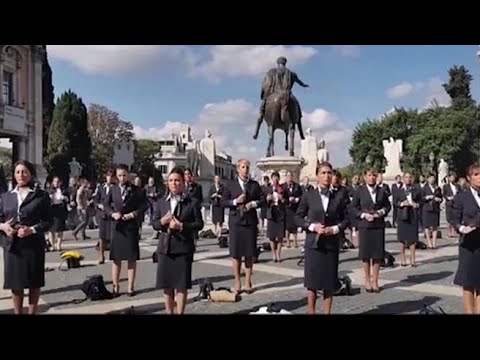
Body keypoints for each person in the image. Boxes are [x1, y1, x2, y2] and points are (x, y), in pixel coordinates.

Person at [295, 162, 349, 314]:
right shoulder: (309, 195)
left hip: (331, 244)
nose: (327, 176)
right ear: (317, 176)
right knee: (312, 282)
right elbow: (298, 217)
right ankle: (311, 311)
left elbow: (346, 219)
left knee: (329, 282)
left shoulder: (338, 196)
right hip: (313, 244)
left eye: (329, 173)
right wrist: (312, 226)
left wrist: (334, 229)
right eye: (323, 173)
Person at [0, 160, 52, 314]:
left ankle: (32, 312)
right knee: (15, 284)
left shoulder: (41, 196)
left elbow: (49, 221)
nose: (21, 175)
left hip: (33, 244)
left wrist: (32, 229)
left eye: (24, 172)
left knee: (34, 282)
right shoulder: (6, 196)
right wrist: (3, 227)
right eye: (17, 172)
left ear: (31, 174)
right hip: (12, 246)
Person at [153, 167, 204, 314]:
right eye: (171, 180)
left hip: (183, 248)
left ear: (183, 182)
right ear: (167, 183)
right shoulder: (162, 202)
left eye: (177, 180)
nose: (174, 183)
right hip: (165, 248)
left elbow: (199, 224)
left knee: (181, 285)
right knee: (167, 285)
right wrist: (162, 221)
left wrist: (182, 226)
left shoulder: (191, 202)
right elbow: (155, 223)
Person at [220, 159, 265, 294]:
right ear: (238, 169)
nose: (245, 169)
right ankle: (237, 281)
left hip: (250, 222)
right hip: (236, 222)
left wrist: (253, 204)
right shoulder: (230, 185)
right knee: (236, 253)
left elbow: (263, 200)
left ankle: (248, 281)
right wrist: (235, 201)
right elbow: (222, 202)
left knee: (249, 253)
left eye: (247, 167)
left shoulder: (254, 185)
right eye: (243, 167)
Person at [104, 164, 148, 297]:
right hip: (117, 226)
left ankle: (130, 287)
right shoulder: (113, 189)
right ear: (116, 176)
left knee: (131, 258)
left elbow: (144, 205)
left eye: (124, 175)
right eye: (119, 176)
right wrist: (112, 213)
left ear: (128, 175)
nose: (122, 178)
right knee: (116, 259)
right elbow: (105, 204)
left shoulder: (136, 190)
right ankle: (115, 286)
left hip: (130, 226)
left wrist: (133, 214)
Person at [351, 168, 391, 293]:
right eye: (369, 175)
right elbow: (353, 207)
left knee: (378, 255)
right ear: (365, 177)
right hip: (365, 226)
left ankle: (375, 280)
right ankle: (367, 280)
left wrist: (381, 212)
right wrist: (363, 215)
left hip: (378, 225)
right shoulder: (360, 191)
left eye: (374, 175)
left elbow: (387, 205)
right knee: (366, 254)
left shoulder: (382, 190)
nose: (372, 177)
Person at [452, 164, 480, 314]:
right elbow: (454, 217)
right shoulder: (462, 196)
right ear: (469, 178)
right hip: (468, 243)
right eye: (476, 174)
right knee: (468, 281)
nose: (479, 177)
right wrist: (461, 228)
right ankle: (470, 312)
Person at [257, 56, 309, 124]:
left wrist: (262, 94)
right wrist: (304, 85)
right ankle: (299, 123)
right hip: (287, 94)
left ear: (278, 63)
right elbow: (300, 82)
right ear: (285, 63)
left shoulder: (271, 71)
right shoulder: (291, 73)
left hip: (275, 93)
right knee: (297, 105)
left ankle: (259, 120)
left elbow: (265, 83)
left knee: (262, 108)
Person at [394, 172, 421, 267]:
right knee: (402, 239)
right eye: (406, 177)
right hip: (402, 216)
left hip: (413, 215)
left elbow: (421, 201)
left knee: (412, 239)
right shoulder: (399, 190)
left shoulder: (416, 189)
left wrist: (416, 204)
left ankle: (413, 259)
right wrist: (402, 204)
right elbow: (394, 202)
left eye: (410, 177)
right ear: (403, 179)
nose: (408, 179)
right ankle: (402, 258)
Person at [95, 169, 116, 264]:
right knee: (102, 235)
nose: (109, 178)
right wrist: (99, 205)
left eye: (111, 176)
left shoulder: (116, 188)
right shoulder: (100, 187)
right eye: (108, 176)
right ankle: (101, 255)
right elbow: (96, 199)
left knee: (113, 235)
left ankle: (114, 254)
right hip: (102, 214)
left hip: (112, 214)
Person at [265, 172, 286, 262]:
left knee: (280, 236)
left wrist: (283, 199)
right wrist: (267, 199)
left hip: (280, 212)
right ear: (271, 179)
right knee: (272, 236)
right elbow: (262, 202)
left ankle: (278, 254)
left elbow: (287, 201)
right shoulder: (267, 189)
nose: (275, 180)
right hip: (271, 213)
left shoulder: (283, 188)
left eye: (277, 178)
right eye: (274, 178)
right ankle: (273, 253)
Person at [47, 176, 69, 251]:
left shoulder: (63, 190)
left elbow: (68, 199)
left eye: (57, 182)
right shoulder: (49, 190)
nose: (56, 183)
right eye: (55, 181)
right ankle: (52, 245)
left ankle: (59, 245)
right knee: (51, 228)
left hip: (60, 209)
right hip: (52, 210)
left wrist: (64, 198)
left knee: (60, 228)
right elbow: (46, 200)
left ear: (60, 183)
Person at [282, 171, 303, 248]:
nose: (289, 178)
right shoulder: (283, 186)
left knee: (294, 225)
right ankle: (287, 241)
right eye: (288, 176)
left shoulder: (297, 186)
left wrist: (297, 199)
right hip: (287, 208)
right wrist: (287, 200)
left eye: (291, 176)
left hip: (294, 208)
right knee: (287, 226)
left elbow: (301, 196)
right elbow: (282, 197)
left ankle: (295, 241)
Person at [421, 174, 442, 249]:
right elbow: (421, 198)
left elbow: (441, 197)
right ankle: (429, 242)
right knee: (427, 226)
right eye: (431, 178)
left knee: (435, 226)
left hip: (435, 208)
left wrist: (439, 199)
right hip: (427, 208)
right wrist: (427, 197)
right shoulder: (424, 188)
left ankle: (434, 243)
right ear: (428, 179)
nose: (432, 180)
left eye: (433, 178)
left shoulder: (438, 188)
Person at [443, 174, 460, 238]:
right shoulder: (446, 186)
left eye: (454, 177)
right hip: (449, 203)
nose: (453, 178)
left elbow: (460, 193)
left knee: (455, 217)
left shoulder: (457, 186)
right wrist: (448, 198)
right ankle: (449, 231)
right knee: (449, 218)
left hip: (456, 203)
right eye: (451, 177)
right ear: (449, 178)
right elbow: (444, 194)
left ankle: (454, 231)